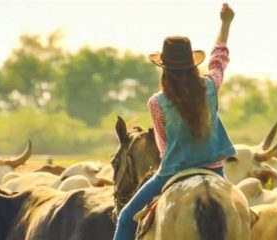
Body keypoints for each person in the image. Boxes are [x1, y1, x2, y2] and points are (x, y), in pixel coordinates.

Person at [113, 3, 235, 240]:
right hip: (215, 170)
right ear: (192, 65)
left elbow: (163, 147)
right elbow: (219, 57)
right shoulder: (211, 86)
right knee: (247, 216)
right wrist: (226, 23)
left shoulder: (157, 103)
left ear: (164, 68)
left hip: (172, 172)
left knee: (126, 218)